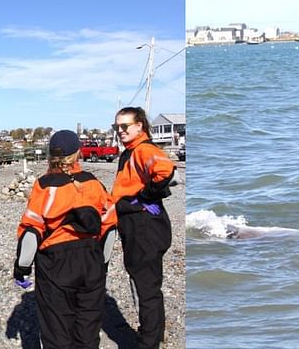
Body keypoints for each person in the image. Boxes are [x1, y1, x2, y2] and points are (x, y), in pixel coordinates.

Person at [12, 130, 116, 348]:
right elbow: (109, 230)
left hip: (56, 263)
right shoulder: (94, 184)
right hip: (90, 259)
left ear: (51, 155)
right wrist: (102, 265)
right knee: (88, 331)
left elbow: (32, 231)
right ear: (78, 153)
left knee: (57, 331)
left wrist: (21, 269)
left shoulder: (44, 186)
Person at [111, 106, 176, 349]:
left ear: (139, 126)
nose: (120, 131)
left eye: (124, 126)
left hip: (144, 226)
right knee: (148, 285)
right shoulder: (129, 152)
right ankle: (154, 334)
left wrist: (144, 196)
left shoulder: (143, 149)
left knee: (146, 288)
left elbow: (166, 170)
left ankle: (149, 343)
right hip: (137, 225)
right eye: (116, 127)